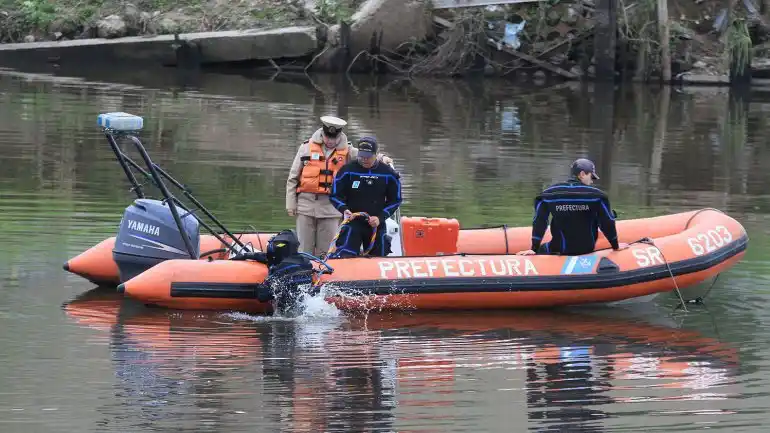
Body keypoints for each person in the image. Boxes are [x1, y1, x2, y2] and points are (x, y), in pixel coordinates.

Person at [286, 116, 393, 257]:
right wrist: (291, 204)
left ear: (339, 136)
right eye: (327, 137)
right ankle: (302, 274)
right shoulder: (305, 148)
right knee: (304, 248)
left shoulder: (347, 150)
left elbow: (365, 156)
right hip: (306, 205)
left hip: (331, 208)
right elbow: (293, 178)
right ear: (322, 134)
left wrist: (383, 158)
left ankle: (323, 276)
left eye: (334, 138)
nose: (330, 141)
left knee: (327, 250)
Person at [517, 158, 629, 256]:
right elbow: (607, 222)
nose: (591, 181)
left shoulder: (548, 194)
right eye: (591, 177)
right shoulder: (597, 196)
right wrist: (615, 246)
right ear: (582, 174)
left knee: (544, 248)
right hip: (586, 249)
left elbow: (540, 221)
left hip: (559, 248)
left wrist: (534, 249)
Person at [328, 136, 402, 258]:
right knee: (345, 255)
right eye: (361, 156)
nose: (364, 160)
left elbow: (396, 200)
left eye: (368, 157)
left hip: (376, 224)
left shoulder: (388, 173)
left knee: (379, 257)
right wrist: (344, 209)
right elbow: (335, 195)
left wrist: (380, 217)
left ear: (376, 154)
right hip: (352, 222)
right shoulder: (347, 170)